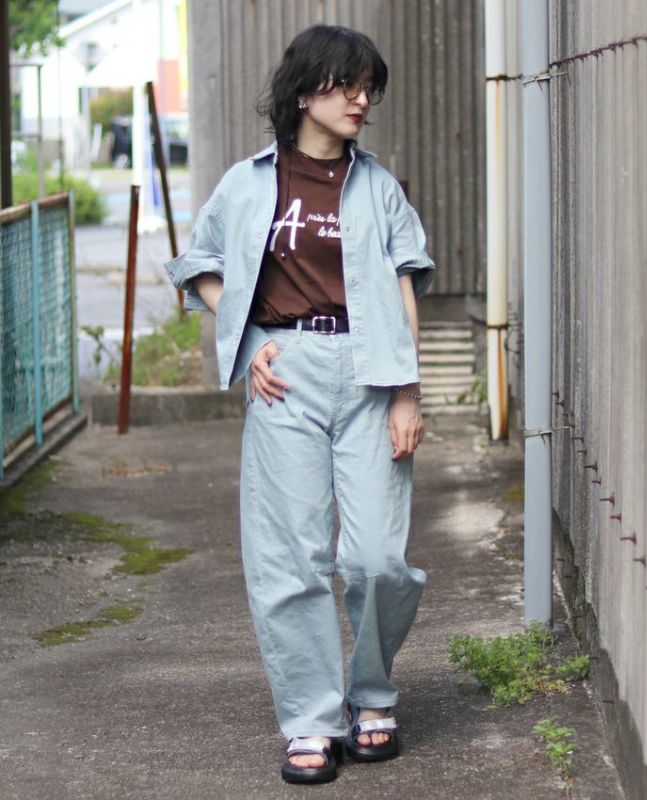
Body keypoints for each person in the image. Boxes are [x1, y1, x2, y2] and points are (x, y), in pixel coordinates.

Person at [165, 24, 435, 785]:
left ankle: (372, 691)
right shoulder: (249, 183)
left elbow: (405, 291)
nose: (361, 100)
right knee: (292, 560)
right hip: (286, 372)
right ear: (304, 90)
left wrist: (408, 391)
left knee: (378, 559)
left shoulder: (379, 188)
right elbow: (198, 264)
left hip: (372, 372)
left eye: (369, 88)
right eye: (347, 85)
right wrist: (250, 341)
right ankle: (313, 719)